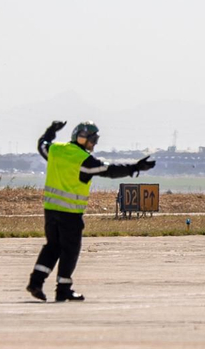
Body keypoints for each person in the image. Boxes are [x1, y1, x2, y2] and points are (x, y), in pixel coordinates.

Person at [26, 120, 156, 302]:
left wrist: (51, 131)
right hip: (70, 214)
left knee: (52, 247)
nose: (94, 144)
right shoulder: (83, 160)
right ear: (81, 138)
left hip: (51, 210)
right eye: (92, 140)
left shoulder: (56, 150)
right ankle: (63, 289)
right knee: (70, 250)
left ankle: (35, 282)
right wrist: (135, 167)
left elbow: (42, 145)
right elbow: (109, 170)